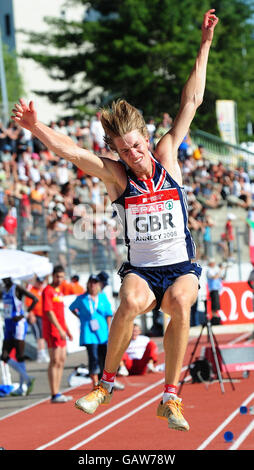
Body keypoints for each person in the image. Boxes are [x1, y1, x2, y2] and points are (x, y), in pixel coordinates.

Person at [11, 9, 218, 431]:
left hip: (180, 267)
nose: (133, 154)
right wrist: (36, 127)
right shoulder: (116, 175)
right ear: (117, 152)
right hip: (141, 269)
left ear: (146, 138)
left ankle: (170, 397)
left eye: (137, 146)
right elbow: (71, 151)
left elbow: (192, 101)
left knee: (179, 302)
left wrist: (205, 43)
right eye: (124, 150)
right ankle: (104, 384)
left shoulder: (166, 155)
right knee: (127, 302)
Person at [69, 274, 113, 388]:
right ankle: (95, 383)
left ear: (98, 285)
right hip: (89, 333)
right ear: (88, 284)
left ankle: (104, 382)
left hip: (102, 333)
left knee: (104, 357)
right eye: (91, 282)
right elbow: (71, 308)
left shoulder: (102, 297)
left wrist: (109, 329)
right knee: (93, 357)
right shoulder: (82, 298)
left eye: (95, 282)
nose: (93, 285)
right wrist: (80, 317)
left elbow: (109, 314)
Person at [0, 277, 38, 396]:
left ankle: (22, 387)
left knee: (19, 355)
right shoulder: (2, 290)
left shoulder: (17, 288)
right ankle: (27, 379)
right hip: (8, 323)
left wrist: (25, 314)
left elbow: (35, 299)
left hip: (18, 324)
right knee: (4, 356)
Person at [42, 265, 73, 403]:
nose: (60, 279)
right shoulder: (48, 291)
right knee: (54, 360)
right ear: (53, 276)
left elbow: (61, 314)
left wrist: (66, 330)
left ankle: (58, 392)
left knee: (61, 360)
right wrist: (59, 329)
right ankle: (54, 393)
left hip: (60, 330)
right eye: (57, 276)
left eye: (62, 276)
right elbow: (49, 312)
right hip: (52, 330)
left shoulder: (59, 292)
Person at [25, 276, 49, 363]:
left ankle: (42, 352)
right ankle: (41, 353)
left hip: (43, 316)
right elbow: (28, 304)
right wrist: (31, 315)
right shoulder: (32, 291)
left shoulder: (43, 290)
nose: (40, 284)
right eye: (39, 282)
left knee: (42, 335)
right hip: (35, 316)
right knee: (39, 335)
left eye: (41, 283)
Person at [206, 258, 226, 325]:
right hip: (213, 289)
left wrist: (224, 270)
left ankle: (216, 317)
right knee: (214, 304)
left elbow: (222, 278)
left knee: (216, 304)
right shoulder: (209, 270)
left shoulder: (215, 270)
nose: (214, 263)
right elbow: (214, 277)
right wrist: (220, 270)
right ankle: (214, 317)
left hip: (217, 289)